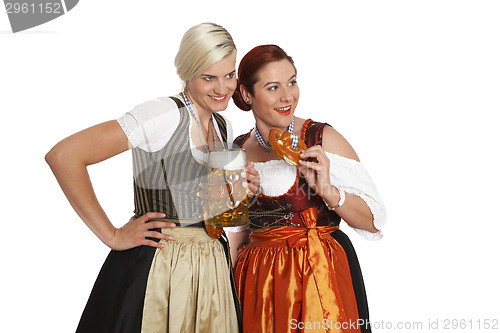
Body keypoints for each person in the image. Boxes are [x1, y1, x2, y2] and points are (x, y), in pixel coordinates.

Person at [45, 23, 259, 333]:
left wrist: (238, 192)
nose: (222, 89)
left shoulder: (220, 124)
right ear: (187, 73)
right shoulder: (163, 114)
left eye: (228, 75)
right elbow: (65, 156)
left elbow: (210, 212)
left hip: (211, 267)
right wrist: (113, 235)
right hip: (161, 265)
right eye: (208, 78)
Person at [227, 45, 386, 333]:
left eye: (292, 82)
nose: (288, 96)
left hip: (318, 273)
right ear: (247, 94)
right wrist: (228, 291)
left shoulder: (320, 138)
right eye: (273, 87)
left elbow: (373, 222)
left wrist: (328, 190)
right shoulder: (236, 150)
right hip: (258, 286)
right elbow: (239, 234)